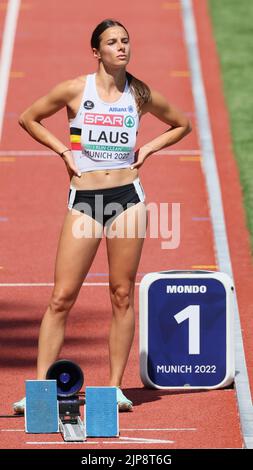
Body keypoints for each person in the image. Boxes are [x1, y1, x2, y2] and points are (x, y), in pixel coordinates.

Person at [13, 18, 191, 414]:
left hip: (128, 198)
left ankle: (112, 389)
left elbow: (182, 124)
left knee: (122, 294)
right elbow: (28, 118)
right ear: (97, 51)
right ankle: (40, 389)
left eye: (125, 41)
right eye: (112, 42)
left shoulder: (139, 93)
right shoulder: (76, 89)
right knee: (61, 297)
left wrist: (150, 149)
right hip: (85, 201)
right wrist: (63, 151)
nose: (121, 47)